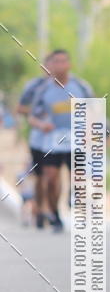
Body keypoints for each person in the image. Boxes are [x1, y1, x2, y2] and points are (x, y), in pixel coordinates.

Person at [28, 49, 94, 232]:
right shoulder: (42, 90)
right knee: (51, 179)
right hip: (52, 142)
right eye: (56, 62)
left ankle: (73, 196)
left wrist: (89, 131)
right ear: (51, 65)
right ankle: (55, 216)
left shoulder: (81, 86)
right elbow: (32, 117)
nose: (59, 65)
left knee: (78, 177)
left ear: (69, 64)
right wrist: (42, 125)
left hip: (76, 139)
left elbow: (92, 111)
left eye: (63, 61)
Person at [16, 56, 53, 229]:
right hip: (39, 137)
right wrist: (38, 112)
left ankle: (50, 209)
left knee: (53, 174)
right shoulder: (34, 86)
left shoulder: (70, 86)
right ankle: (39, 208)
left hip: (61, 139)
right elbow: (20, 108)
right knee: (40, 176)